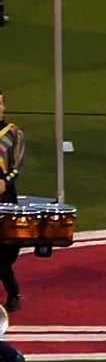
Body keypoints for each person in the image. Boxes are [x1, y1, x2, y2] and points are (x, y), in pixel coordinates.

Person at [0, 89, 25, 312]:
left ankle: (13, 291)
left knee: (6, 248)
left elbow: (18, 165)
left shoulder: (14, 133)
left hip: (6, 196)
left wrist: (5, 181)